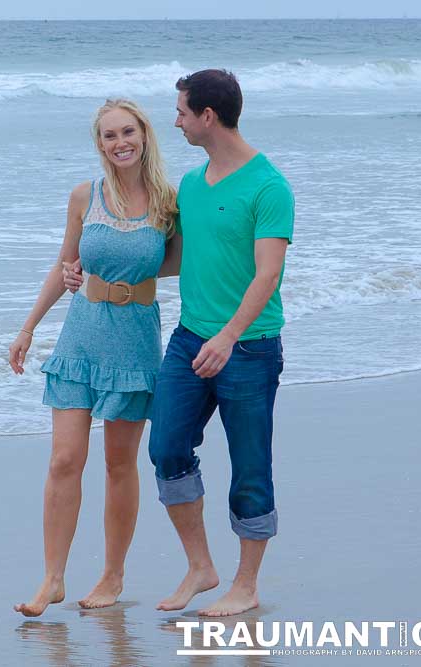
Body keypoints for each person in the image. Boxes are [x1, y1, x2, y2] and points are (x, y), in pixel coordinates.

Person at [67, 70, 294, 617]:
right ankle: (200, 566)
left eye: (182, 112)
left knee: (250, 464)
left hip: (249, 346)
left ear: (207, 117)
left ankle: (246, 583)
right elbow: (167, 259)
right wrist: (89, 270)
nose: (176, 121)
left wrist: (229, 335)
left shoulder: (269, 187)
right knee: (166, 448)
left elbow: (267, 276)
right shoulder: (192, 186)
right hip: (189, 340)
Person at [8, 99, 181, 617]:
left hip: (134, 341)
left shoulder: (169, 203)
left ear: (144, 135)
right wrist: (28, 327)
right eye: (109, 136)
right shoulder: (85, 196)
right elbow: (65, 263)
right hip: (81, 336)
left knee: (118, 464)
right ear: (99, 144)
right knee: (65, 460)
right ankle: (52, 579)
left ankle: (112, 575)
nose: (119, 142)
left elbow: (180, 264)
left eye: (128, 132)